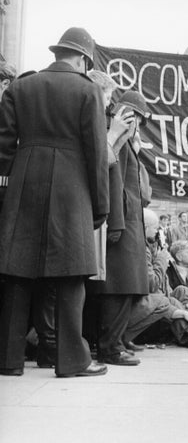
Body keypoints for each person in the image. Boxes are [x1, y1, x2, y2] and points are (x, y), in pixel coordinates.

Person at [0, 27, 109, 377]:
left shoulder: (20, 87)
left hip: (23, 185)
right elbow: (95, 153)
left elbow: (2, 149)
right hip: (71, 189)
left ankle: (7, 359)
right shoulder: (88, 90)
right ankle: (72, 361)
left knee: (17, 274)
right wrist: (100, 204)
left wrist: (9, 188)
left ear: (58, 53)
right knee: (70, 278)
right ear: (82, 59)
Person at [123, 209, 188, 351]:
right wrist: (184, 312)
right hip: (145, 307)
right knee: (167, 299)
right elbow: (153, 284)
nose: (157, 233)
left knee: (182, 296)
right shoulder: (148, 251)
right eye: (156, 229)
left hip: (182, 304)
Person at [95, 90, 150, 366]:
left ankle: (115, 342)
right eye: (138, 117)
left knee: (125, 286)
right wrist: (115, 222)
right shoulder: (116, 139)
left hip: (127, 223)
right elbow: (113, 182)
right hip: (122, 223)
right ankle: (110, 347)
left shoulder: (125, 141)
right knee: (118, 287)